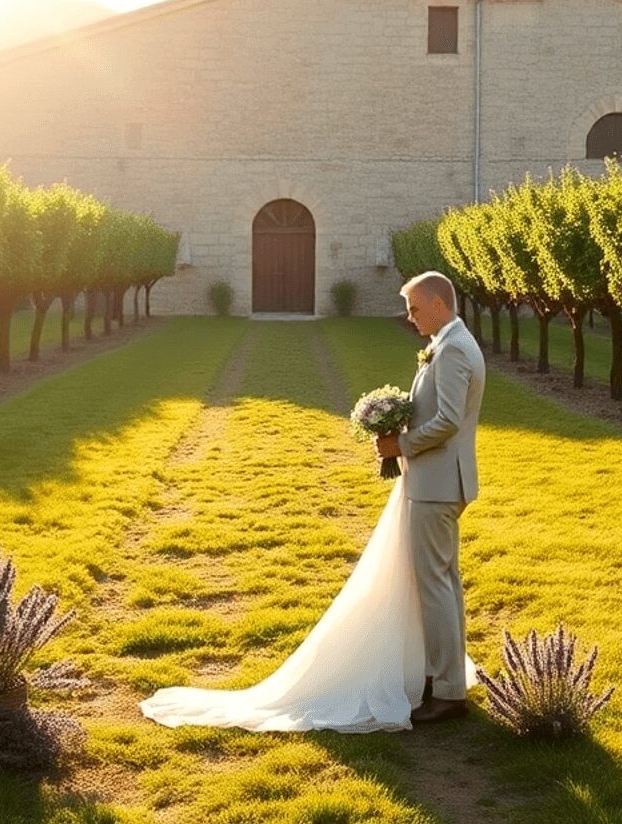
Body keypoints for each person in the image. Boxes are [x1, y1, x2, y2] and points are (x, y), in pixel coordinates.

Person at [138, 271, 486, 732]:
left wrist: (400, 444)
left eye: (415, 308)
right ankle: (442, 677)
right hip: (437, 482)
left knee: (436, 585)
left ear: (439, 305)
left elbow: (448, 420)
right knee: (443, 582)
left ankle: (447, 693)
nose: (409, 317)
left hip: (437, 484)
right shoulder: (450, 342)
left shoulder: (454, 348)